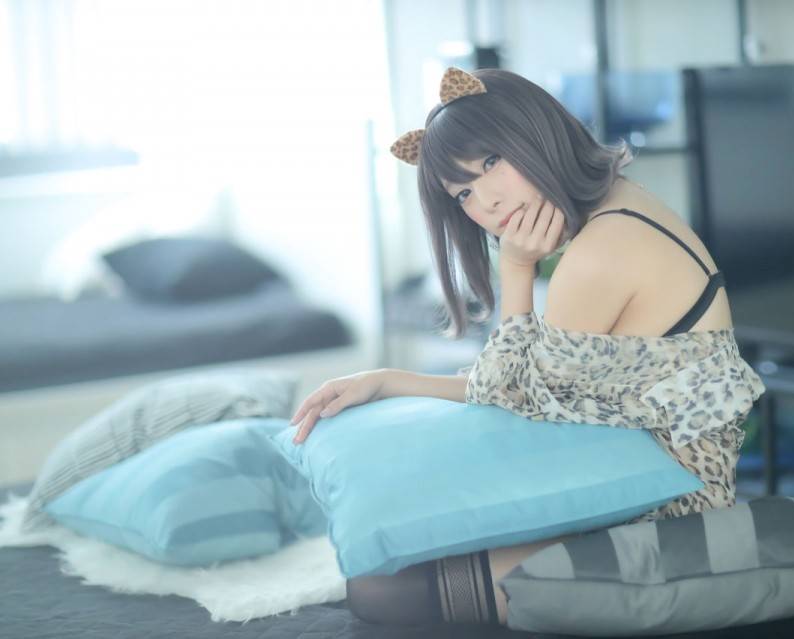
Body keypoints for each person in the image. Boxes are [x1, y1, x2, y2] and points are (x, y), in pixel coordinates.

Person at [287, 66, 766, 628]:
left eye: (491, 162)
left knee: (380, 592)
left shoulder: (600, 253)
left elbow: (514, 404)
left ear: (533, 131)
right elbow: (527, 388)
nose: (486, 201)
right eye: (463, 192)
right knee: (389, 567)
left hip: (666, 513)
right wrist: (390, 381)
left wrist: (516, 270)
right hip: (628, 479)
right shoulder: (620, 204)